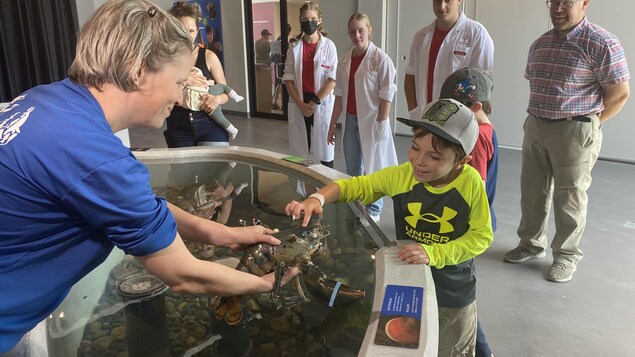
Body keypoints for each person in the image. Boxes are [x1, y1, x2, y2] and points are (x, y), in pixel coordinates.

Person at [0, 0, 297, 353]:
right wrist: (265, 283)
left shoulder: (46, 100)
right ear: (139, 70)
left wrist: (227, 235)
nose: (179, 94)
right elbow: (184, 274)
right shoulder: (94, 157)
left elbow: (143, 207)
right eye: (177, 80)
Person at [286, 98, 494, 356]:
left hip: (454, 291)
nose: (419, 161)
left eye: (434, 156)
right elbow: (356, 186)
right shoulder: (404, 175)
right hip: (410, 284)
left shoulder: (471, 183)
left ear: (461, 161)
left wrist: (435, 253)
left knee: (452, 348)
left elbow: (482, 236)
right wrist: (317, 198)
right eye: (415, 148)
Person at [503, 0, 630, 283]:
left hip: (575, 128)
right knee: (532, 189)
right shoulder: (540, 44)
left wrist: (591, 124)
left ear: (584, 3)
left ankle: (566, 255)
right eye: (553, 2)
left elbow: (620, 93)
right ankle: (531, 244)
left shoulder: (602, 43)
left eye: (567, 2)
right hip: (536, 124)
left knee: (569, 195)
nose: (558, 8)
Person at [439, 67, 497, 357]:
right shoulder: (486, 130)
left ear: (475, 107)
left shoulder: (478, 138)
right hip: (468, 226)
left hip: (466, 230)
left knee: (461, 299)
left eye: (457, 111)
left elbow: (478, 189)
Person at [327, 12, 398, 222]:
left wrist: (382, 123)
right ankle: (356, 202)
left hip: (372, 120)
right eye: (352, 31)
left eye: (361, 30)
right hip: (350, 120)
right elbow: (339, 96)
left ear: (369, 30)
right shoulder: (344, 61)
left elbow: (387, 95)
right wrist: (331, 125)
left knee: (373, 166)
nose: (356, 35)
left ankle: (374, 208)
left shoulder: (381, 60)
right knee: (352, 166)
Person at [404, 0, 494, 121]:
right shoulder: (420, 37)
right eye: (437, 0)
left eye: (448, 0)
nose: (441, 6)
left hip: (458, 122)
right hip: (424, 118)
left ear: (459, 1)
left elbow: (481, 87)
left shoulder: (477, 34)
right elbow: (410, 76)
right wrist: (414, 113)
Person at [164, 1, 231, 148]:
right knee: (182, 171)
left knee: (215, 169)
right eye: (181, 29)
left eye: (191, 30)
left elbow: (226, 91)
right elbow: (158, 90)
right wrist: (184, 79)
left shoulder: (209, 56)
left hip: (210, 124)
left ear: (196, 31)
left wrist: (216, 99)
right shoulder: (164, 59)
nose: (187, 35)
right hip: (177, 126)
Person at [283, 1, 337, 168]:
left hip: (319, 100)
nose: (309, 22)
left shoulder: (328, 46)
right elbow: (288, 79)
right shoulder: (294, 46)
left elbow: (332, 80)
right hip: (300, 101)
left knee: (325, 149)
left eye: (313, 18)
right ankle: (305, 191)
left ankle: (327, 190)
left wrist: (313, 102)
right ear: (300, 20)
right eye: (305, 19)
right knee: (301, 151)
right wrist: (300, 104)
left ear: (319, 20)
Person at [182, 67, 244, 140]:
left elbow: (223, 93)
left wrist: (217, 99)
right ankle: (233, 130)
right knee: (220, 118)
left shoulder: (208, 58)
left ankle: (236, 96)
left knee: (223, 88)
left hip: (208, 97)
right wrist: (185, 81)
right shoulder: (174, 63)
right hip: (198, 107)